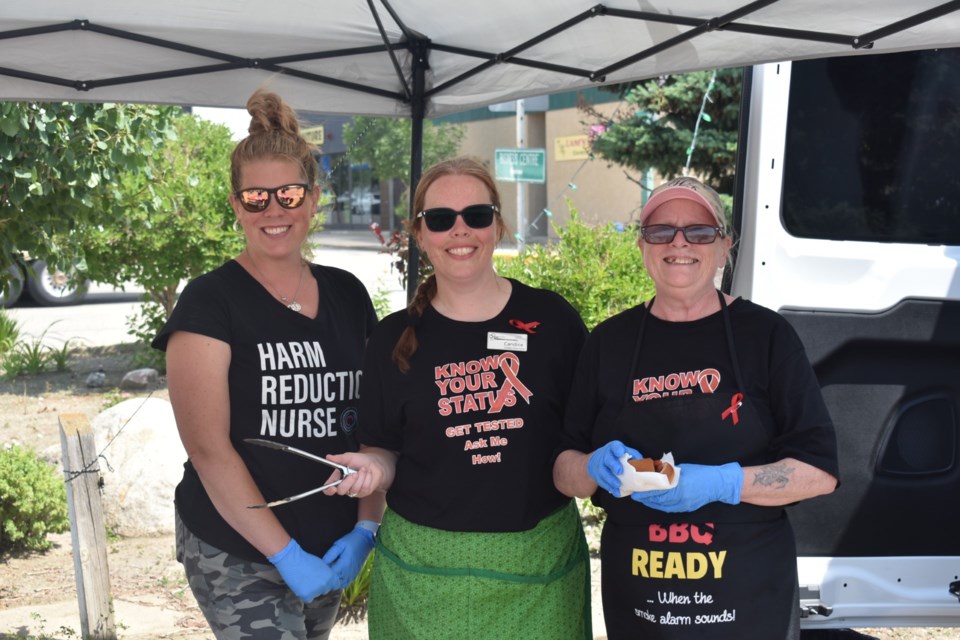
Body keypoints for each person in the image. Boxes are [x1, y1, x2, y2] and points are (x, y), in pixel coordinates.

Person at [553, 176, 839, 639]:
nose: (679, 242)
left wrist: (722, 482)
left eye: (700, 231)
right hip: (644, 599)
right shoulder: (609, 342)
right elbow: (563, 471)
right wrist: (592, 465)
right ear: (644, 246)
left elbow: (818, 472)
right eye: (661, 230)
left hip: (746, 596)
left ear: (724, 245)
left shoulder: (767, 336)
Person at [324, 156, 592, 638]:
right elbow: (383, 449)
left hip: (538, 573)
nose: (460, 230)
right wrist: (370, 472)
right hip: (421, 579)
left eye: (477, 215)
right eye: (441, 219)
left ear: (498, 224)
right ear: (420, 234)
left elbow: (583, 439)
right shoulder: (392, 339)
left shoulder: (552, 322)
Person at [152, 89, 385, 640]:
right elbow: (208, 449)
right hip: (237, 543)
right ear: (236, 205)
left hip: (328, 540)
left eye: (289, 193)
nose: (274, 210)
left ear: (313, 200)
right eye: (256, 197)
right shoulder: (209, 302)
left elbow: (375, 420)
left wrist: (367, 527)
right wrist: (283, 554)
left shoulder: (348, 293)